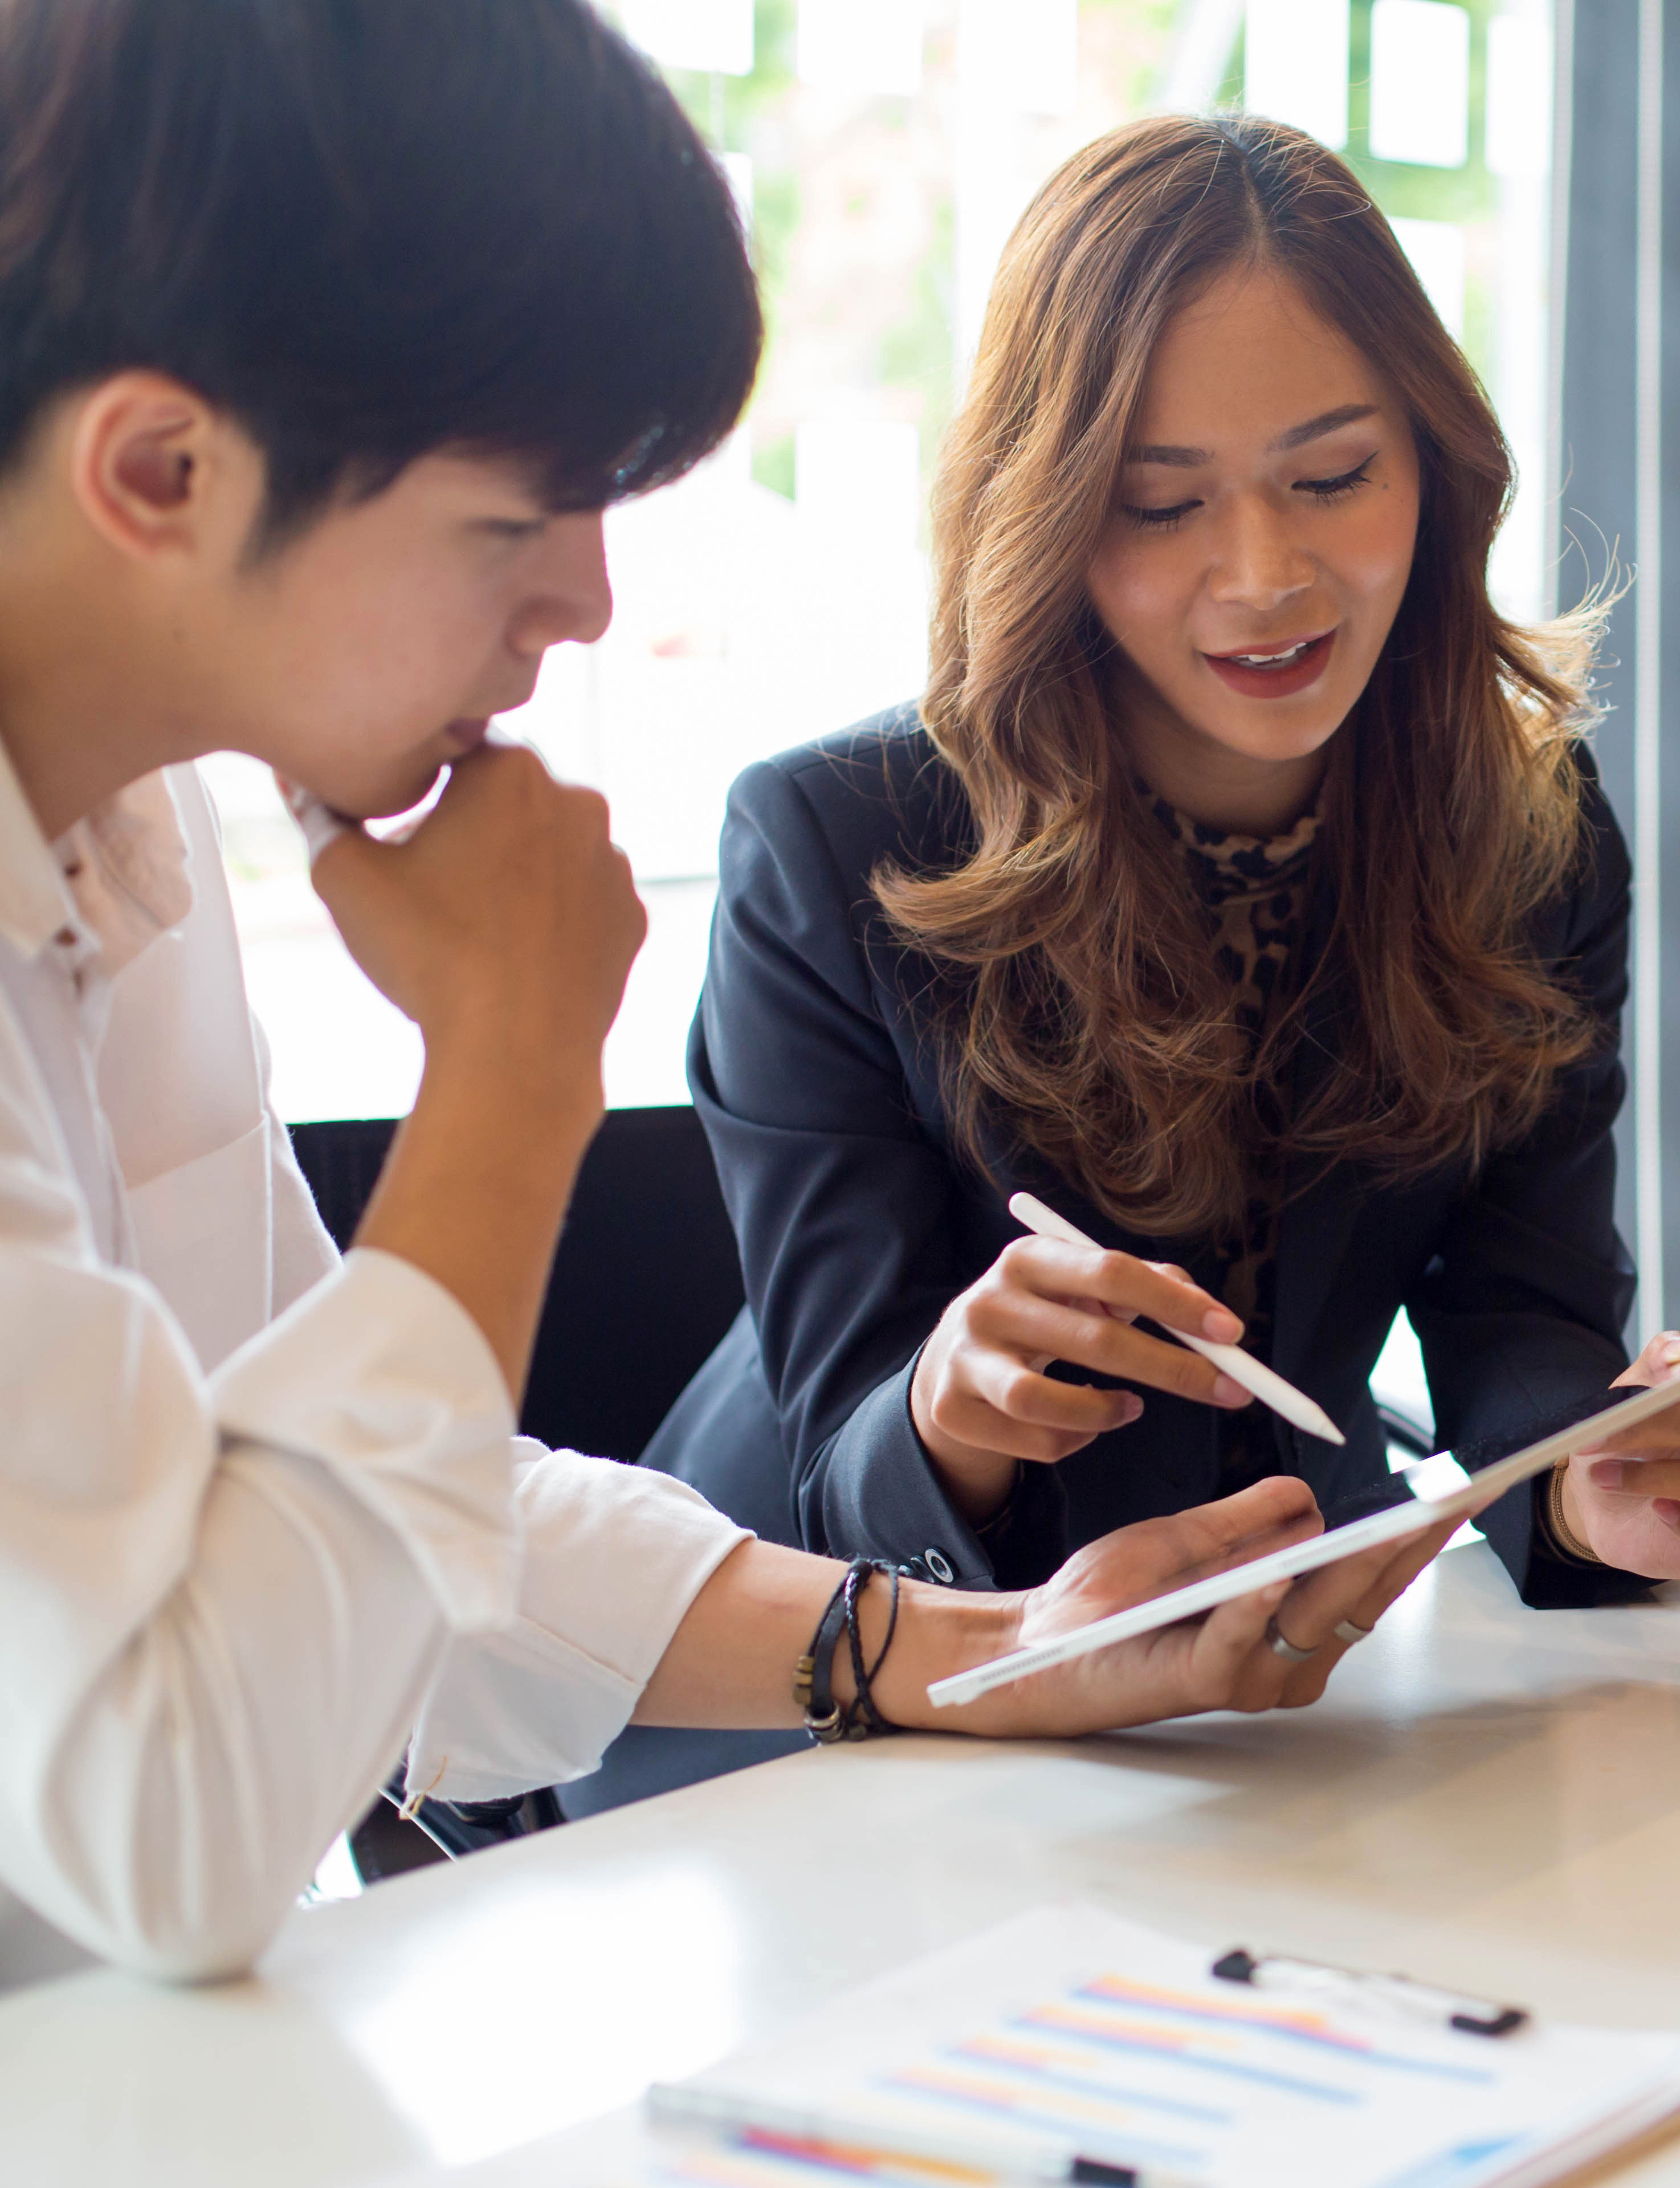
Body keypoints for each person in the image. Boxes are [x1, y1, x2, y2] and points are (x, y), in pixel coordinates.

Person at [0, 0, 1455, 1990]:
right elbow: (179, 1827)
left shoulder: (123, 835)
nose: (585, 603)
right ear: (161, 467)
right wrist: (510, 1076)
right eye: (519, 522)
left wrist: (976, 1652)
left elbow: (329, 1532)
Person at [644, 116, 1680, 1649]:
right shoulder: (835, 848)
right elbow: (840, 1471)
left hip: (1277, 1662)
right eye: (1161, 504)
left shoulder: (1525, 832)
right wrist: (954, 1405)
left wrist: (1587, 1479)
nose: (1265, 575)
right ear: (1046, 514)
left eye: (1332, 475)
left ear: (1433, 470)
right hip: (819, 1687)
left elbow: (1520, 1308)